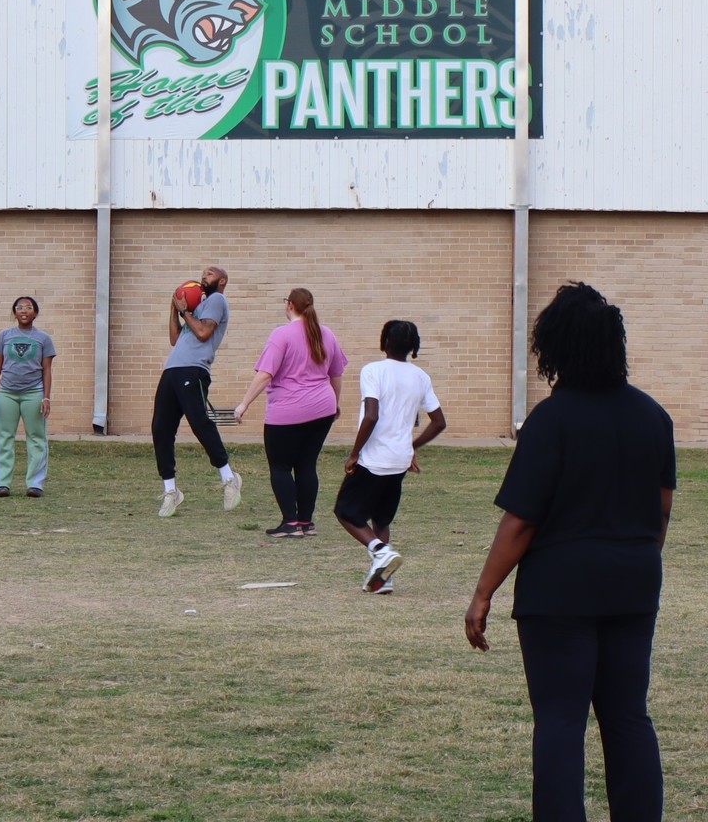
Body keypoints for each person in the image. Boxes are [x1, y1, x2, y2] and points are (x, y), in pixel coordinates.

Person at [465, 282, 675, 822]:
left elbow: (521, 521)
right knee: (629, 717)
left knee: (560, 721)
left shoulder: (551, 421)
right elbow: (662, 511)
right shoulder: (653, 416)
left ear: (555, 348)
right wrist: (632, 562)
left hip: (559, 591)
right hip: (634, 580)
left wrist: (483, 593)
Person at [334, 320, 446, 593]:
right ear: (413, 347)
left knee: (345, 512)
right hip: (399, 461)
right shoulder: (420, 377)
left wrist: (354, 453)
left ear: (383, 342)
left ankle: (380, 551)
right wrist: (412, 446)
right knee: (381, 519)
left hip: (374, 459)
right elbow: (439, 422)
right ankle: (383, 580)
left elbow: (372, 415)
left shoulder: (373, 371)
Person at [234, 288, 347, 537]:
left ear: (290, 305)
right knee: (307, 464)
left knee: (281, 466)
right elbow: (336, 374)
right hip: (322, 409)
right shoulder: (326, 334)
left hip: (287, 411)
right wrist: (335, 403)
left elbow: (265, 374)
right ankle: (306, 522)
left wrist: (244, 403)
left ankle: (290, 522)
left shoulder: (281, 335)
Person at [152, 265, 242, 518]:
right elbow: (174, 338)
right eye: (203, 273)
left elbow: (203, 333)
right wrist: (175, 309)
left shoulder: (217, 299)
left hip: (193, 370)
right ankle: (171, 491)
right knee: (161, 428)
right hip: (171, 370)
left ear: (222, 280)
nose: (204, 277)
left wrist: (185, 313)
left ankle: (228, 478)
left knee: (200, 423)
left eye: (210, 274)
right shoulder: (197, 308)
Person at [0, 296, 56, 498]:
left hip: (33, 393)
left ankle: (35, 484)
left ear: (35, 312)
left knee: (36, 439)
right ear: (14, 312)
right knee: (4, 437)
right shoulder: (4, 336)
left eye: (28, 307)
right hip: (7, 393)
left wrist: (46, 397)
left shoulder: (43, 339)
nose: (24, 311)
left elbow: (47, 370)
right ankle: (2, 483)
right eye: (19, 308)